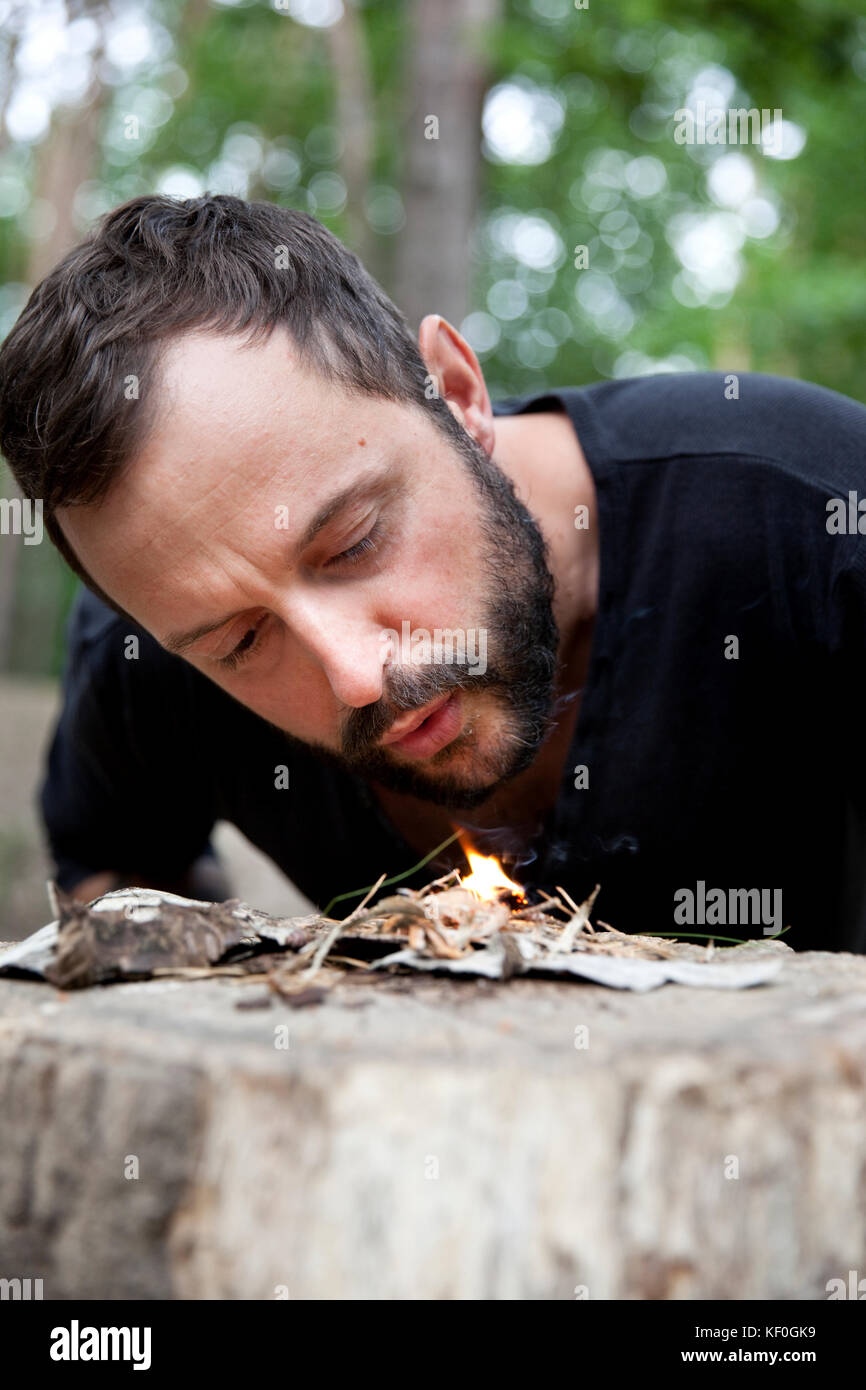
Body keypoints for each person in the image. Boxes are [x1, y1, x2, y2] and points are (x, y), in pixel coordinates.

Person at [1, 194, 865, 950]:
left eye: (353, 543)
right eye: (244, 641)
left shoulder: (813, 519)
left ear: (457, 392)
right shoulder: (148, 666)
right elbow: (114, 876)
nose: (356, 677)